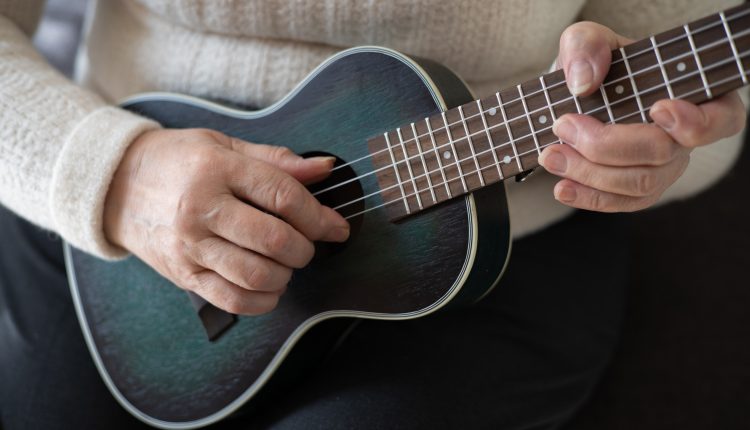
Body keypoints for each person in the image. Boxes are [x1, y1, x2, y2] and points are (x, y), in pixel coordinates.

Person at [0, 0, 746, 428]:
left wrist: (661, 152)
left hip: (490, 257)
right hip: (113, 212)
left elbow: (700, 93)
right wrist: (114, 171)